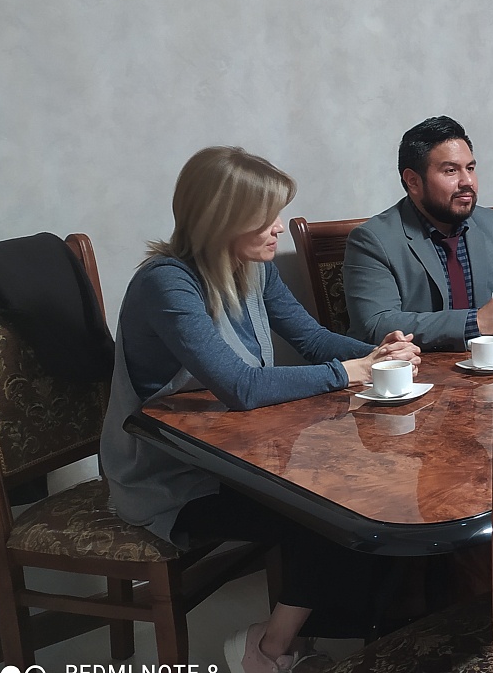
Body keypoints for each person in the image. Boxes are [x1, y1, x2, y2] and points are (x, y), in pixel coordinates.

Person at [99, 146, 422, 673]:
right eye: (265, 217)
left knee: (369, 492)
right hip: (170, 476)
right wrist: (352, 371)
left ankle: (349, 634)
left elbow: (313, 340)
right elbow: (240, 387)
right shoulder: (166, 282)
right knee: (331, 518)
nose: (277, 229)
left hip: (237, 454)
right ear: (221, 220)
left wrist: (376, 353)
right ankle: (268, 651)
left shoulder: (252, 267)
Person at [344, 116, 493, 351]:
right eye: (451, 171)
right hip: (420, 367)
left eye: (470, 168)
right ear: (413, 181)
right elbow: (376, 324)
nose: (468, 181)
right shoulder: (373, 240)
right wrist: (476, 322)